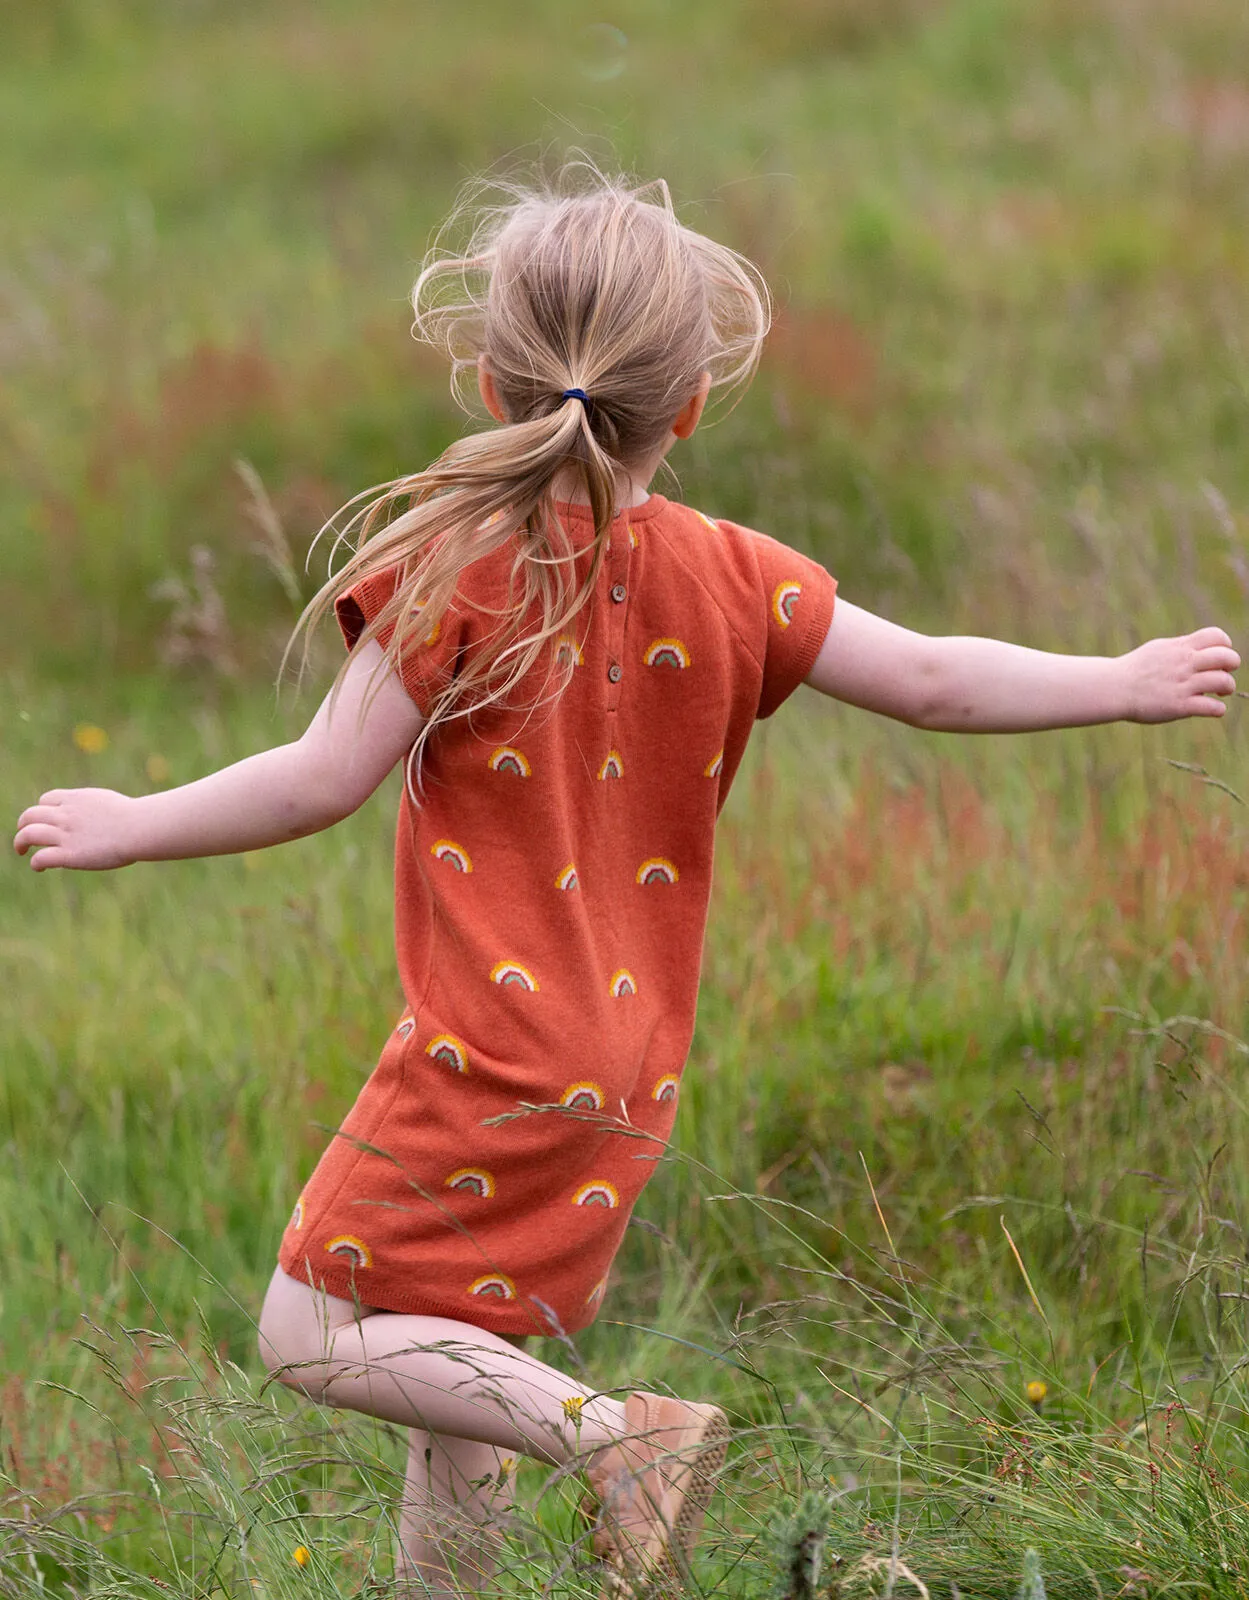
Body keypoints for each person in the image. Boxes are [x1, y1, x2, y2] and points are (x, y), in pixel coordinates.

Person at [13, 164, 1239, 1599]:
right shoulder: (735, 573)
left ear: (488, 384)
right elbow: (929, 682)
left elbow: (318, 778)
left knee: (317, 1329)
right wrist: (1123, 679)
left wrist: (133, 818)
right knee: (453, 1355)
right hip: (631, 1062)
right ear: (696, 402)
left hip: (491, 1043)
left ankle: (619, 1437)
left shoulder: (454, 568)